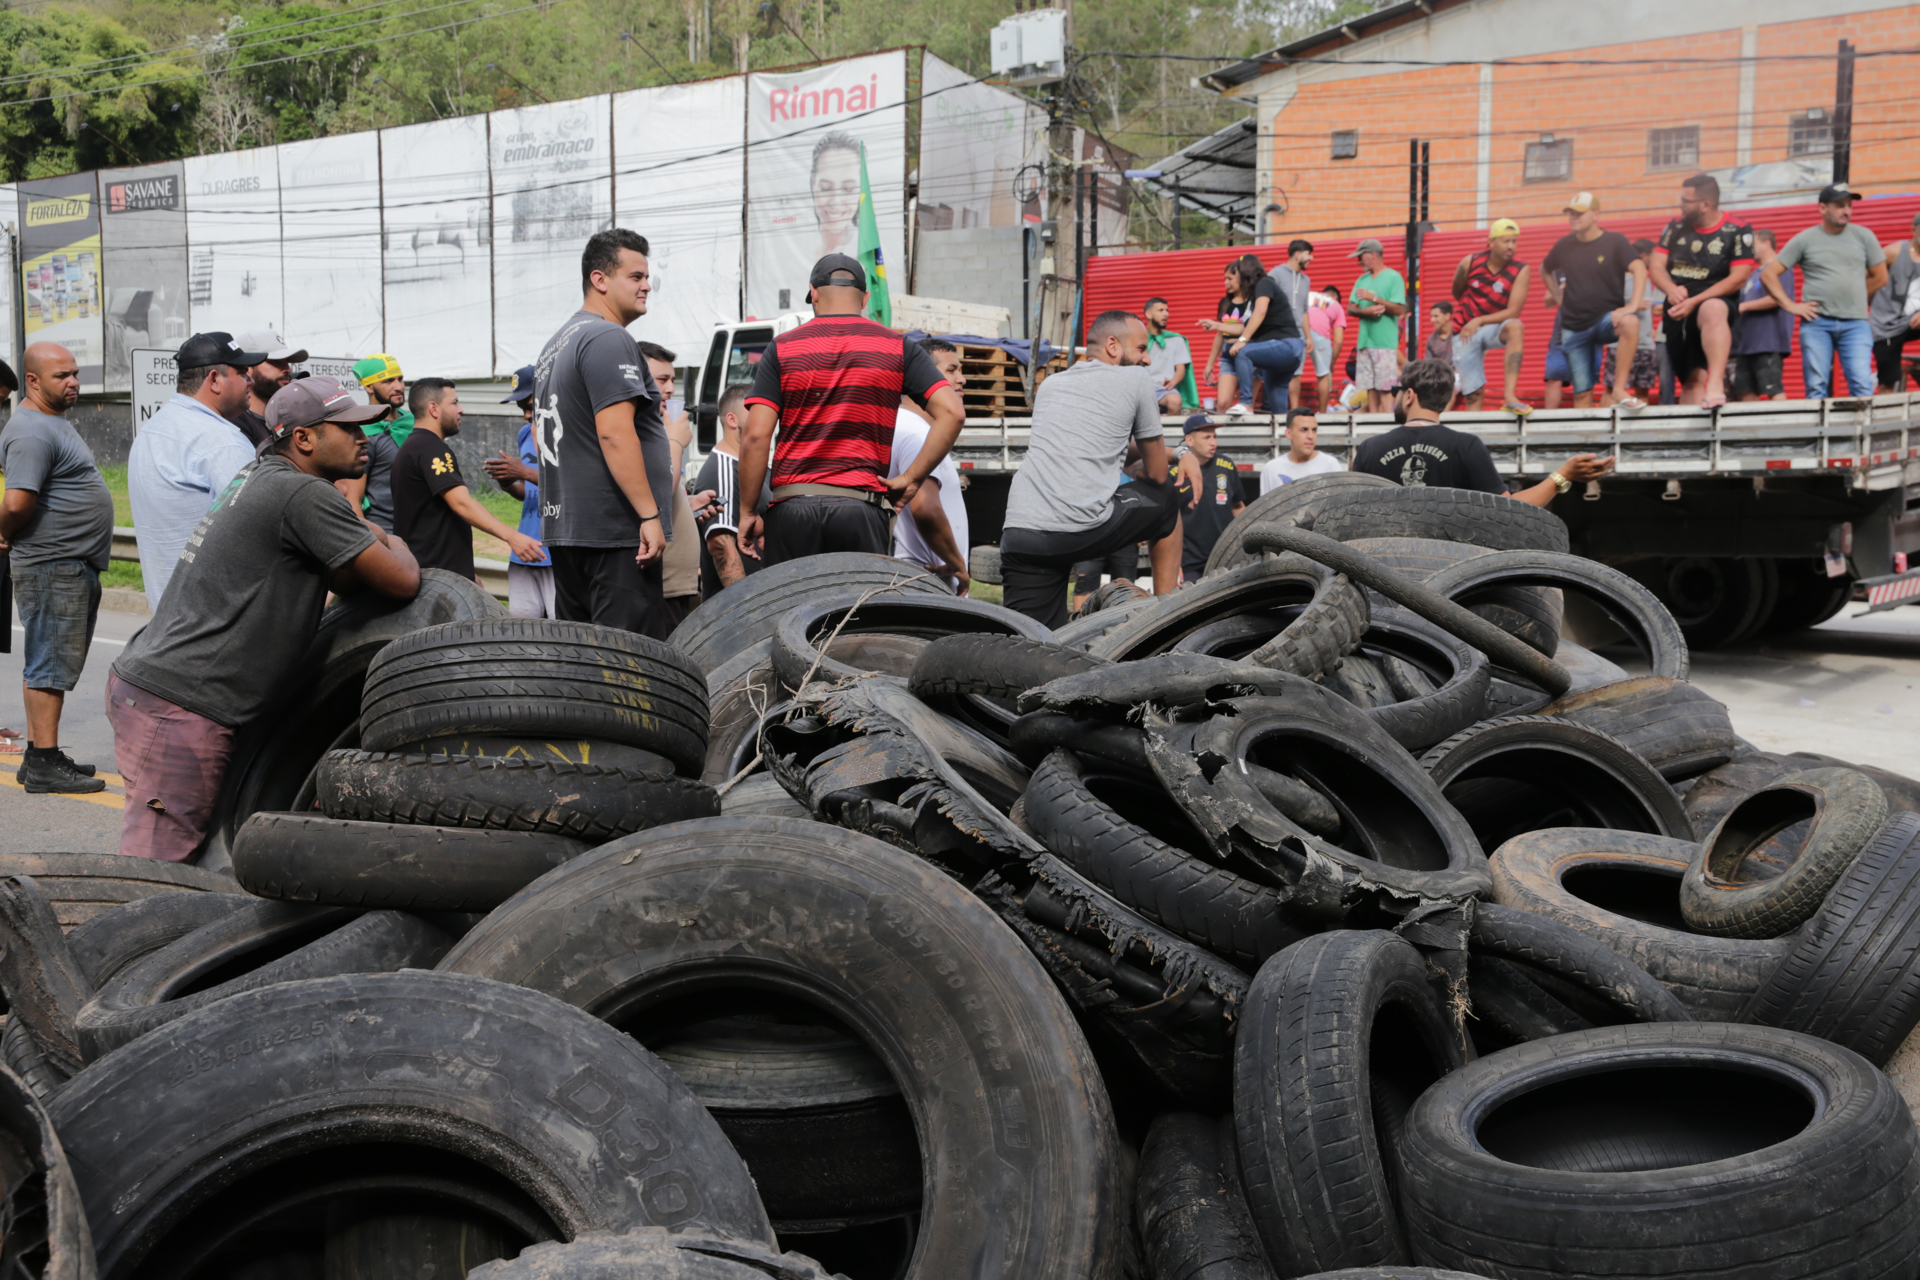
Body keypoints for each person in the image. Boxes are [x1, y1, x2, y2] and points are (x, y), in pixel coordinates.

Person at [108, 377, 419, 860]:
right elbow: (402, 581)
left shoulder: (262, 476)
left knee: (197, 855)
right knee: (157, 867)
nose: (364, 439)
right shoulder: (302, 494)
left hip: (164, 692)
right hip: (180, 706)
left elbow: (348, 579)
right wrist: (391, 539)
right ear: (304, 438)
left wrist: (362, 534)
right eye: (349, 429)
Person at [737, 254, 964, 564]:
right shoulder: (898, 346)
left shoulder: (782, 347)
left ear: (814, 294)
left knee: (794, 597)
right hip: (861, 510)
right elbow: (952, 413)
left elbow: (755, 435)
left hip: (792, 510)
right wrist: (912, 478)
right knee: (859, 597)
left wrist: (748, 511)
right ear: (865, 299)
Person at [998, 310, 1181, 629]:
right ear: (1113, 345)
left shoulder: (1051, 385)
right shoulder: (1135, 379)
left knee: (1033, 641)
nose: (1147, 359)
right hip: (1077, 528)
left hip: (1020, 533)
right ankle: (1168, 619)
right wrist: (1147, 465)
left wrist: (1176, 453)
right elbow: (1157, 474)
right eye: (1141, 348)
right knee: (1167, 498)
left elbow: (1096, 447)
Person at [533, 229, 676, 638]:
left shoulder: (555, 345)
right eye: (635, 276)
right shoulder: (607, 337)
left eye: (646, 277)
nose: (646, 286)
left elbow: (541, 432)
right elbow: (615, 433)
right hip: (614, 534)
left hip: (570, 530)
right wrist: (648, 515)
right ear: (600, 280)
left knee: (583, 657)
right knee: (627, 660)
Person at [0, 343, 113, 794]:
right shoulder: (31, 431)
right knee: (48, 665)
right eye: (61, 375)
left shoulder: (49, 422)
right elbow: (16, 501)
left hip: (66, 563)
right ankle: (45, 762)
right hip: (53, 565)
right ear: (32, 381)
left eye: (75, 373)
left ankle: (37, 757)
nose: (74, 382)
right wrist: (4, 529)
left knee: (49, 662)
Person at [1353, 359, 1614, 507]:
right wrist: (1562, 475)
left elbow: (1349, 512)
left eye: (1398, 392)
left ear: (1409, 395)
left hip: (1382, 570)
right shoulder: (1465, 446)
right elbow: (1511, 509)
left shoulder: (1369, 449)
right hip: (1448, 573)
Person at [127, 332, 265, 610]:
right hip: (218, 617)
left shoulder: (154, 428)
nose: (250, 380)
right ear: (214, 380)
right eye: (242, 373)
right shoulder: (220, 441)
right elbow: (259, 532)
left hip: (170, 614)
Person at [392, 377, 542, 581]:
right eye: (454, 403)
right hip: (437, 576)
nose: (461, 410)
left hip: (430, 570)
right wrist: (512, 536)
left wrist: (466, 571)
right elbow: (461, 503)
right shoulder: (431, 449)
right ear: (434, 409)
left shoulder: (412, 447)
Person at [1763, 182, 1888, 400]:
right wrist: (1791, 306)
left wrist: (1855, 295)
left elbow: (1881, 277)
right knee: (1816, 387)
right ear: (1822, 208)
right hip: (1817, 323)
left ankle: (1860, 425)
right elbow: (1768, 274)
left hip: (1856, 324)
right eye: (1839, 205)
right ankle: (1819, 425)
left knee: (1861, 384)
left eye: (1849, 205)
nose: (1846, 210)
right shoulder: (1805, 239)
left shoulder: (1864, 236)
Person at [1650, 173, 1756, 407]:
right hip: (1678, 306)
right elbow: (1656, 265)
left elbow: (1739, 278)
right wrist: (1670, 289)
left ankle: (1716, 385)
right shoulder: (1675, 226)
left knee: (1712, 308)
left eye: (1686, 201)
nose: (1681, 205)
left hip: (1715, 299)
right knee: (1691, 380)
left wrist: (1696, 301)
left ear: (1705, 205)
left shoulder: (1738, 229)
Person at [1545, 193, 1648, 409]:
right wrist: (1557, 295)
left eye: (1580, 213)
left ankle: (1618, 389)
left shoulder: (1615, 241)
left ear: (1596, 215)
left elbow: (1639, 267)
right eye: (1571, 213)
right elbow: (1544, 269)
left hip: (1604, 320)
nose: (1574, 217)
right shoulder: (1564, 245)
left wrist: (1631, 306)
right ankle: (1584, 432)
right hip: (1574, 326)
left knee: (1630, 322)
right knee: (1582, 394)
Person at [890, 337, 971, 593]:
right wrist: (957, 564)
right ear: (921, 373)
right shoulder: (917, 432)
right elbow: (925, 508)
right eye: (951, 370)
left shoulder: (904, 424)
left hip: (918, 580)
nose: (961, 379)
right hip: (926, 582)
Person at [639, 341, 705, 626]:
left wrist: (690, 504)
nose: (669, 389)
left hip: (677, 583)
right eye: (662, 379)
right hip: (661, 583)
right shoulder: (637, 430)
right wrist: (676, 442)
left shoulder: (656, 428)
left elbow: (664, 491)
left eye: (672, 380)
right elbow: (658, 489)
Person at [483, 365, 557, 618]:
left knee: (562, 629)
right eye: (521, 408)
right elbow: (529, 493)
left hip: (557, 551)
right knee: (522, 629)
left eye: (530, 406)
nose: (526, 415)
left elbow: (573, 485)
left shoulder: (567, 432)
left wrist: (523, 471)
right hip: (525, 549)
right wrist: (507, 482)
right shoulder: (525, 433)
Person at [1450, 218, 1533, 414]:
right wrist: (1472, 316)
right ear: (1491, 242)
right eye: (1506, 241)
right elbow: (1456, 291)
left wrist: (1479, 320)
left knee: (1515, 326)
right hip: (1465, 329)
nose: (1511, 246)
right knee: (1474, 394)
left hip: (1492, 326)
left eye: (1514, 241)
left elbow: (1514, 311)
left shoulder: (1521, 269)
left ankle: (1509, 396)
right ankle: (1473, 431)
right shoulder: (1470, 262)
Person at [692, 386, 762, 597]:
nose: (764, 420)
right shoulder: (723, 470)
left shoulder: (750, 465)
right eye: (755, 413)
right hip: (743, 608)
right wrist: (747, 608)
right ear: (732, 420)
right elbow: (721, 546)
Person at [337, 353, 412, 531]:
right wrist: (372, 541)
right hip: (386, 532)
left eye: (400, 379)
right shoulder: (363, 433)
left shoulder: (412, 422)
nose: (398, 387)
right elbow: (353, 501)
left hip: (420, 530)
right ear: (369, 387)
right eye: (388, 381)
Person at [1223, 253, 1304, 416]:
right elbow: (1246, 327)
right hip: (1283, 351)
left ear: (1245, 271)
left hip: (1286, 345)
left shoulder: (1264, 283)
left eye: (1235, 274)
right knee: (1277, 403)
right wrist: (1217, 326)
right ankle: (1283, 427)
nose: (1232, 280)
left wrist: (1242, 341)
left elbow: (1260, 312)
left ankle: (1246, 403)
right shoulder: (1253, 296)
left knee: (1243, 352)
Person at [1172, 414, 1243, 580]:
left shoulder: (1227, 465)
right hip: (1189, 562)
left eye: (1214, 436)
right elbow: (1168, 522)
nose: (1213, 442)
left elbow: (1238, 507)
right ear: (1189, 440)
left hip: (1225, 558)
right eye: (1207, 437)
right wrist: (1173, 563)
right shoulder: (1174, 472)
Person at [1732, 230, 1794, 402]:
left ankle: (1783, 419)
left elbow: (1778, 298)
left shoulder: (1779, 268)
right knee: (1746, 391)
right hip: (1747, 344)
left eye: (1753, 244)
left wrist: (1743, 306)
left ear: (1766, 243)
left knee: (1772, 388)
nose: (1749, 249)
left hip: (1767, 342)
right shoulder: (1753, 274)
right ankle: (1753, 421)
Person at [1349, 239, 1407, 412]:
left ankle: (1387, 421)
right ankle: (1373, 422)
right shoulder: (1362, 280)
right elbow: (1351, 308)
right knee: (1370, 387)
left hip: (1384, 344)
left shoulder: (1394, 277)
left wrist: (1373, 298)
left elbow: (1399, 309)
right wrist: (1365, 312)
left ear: (1372, 255)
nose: (1358, 261)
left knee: (1385, 388)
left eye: (1360, 257)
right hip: (1365, 342)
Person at [232, 328, 309, 447]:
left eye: (287, 361)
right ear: (247, 369)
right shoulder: (235, 426)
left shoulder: (288, 421)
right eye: (276, 362)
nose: (288, 369)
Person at [1197, 260, 1256, 411]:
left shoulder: (1253, 301)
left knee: (1247, 405)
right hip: (1228, 355)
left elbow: (1249, 328)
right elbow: (1220, 334)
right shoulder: (1225, 302)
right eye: (1225, 278)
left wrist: (1218, 325)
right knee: (1222, 404)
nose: (1226, 283)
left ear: (1241, 277)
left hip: (1248, 354)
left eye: (1230, 278)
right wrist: (1209, 364)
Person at [1872, 211, 1920, 392]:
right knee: (1888, 382)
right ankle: (1884, 406)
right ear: (1913, 230)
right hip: (1887, 325)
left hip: (1914, 321)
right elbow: (1864, 278)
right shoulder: (1894, 252)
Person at [1260, 408, 1344, 492]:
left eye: (1314, 430)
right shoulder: (1271, 469)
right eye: (1304, 430)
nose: (1310, 436)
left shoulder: (1330, 465)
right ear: (1289, 433)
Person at [1273, 240, 1314, 407]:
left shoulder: (1306, 280)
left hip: (1298, 334)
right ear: (1298, 254)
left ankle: (1294, 411)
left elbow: (1304, 310)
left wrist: (1308, 337)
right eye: (1308, 254)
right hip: (1279, 331)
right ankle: (1278, 410)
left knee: (1297, 373)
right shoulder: (1276, 273)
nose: (1311, 258)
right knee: (1276, 371)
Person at [1143, 297, 1196, 414]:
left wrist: (1172, 382)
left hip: (1163, 389)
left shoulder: (1176, 339)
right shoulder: (1138, 338)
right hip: (1141, 388)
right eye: (1161, 310)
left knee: (1175, 401)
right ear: (1148, 314)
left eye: (1167, 310)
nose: (1166, 314)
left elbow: (1181, 370)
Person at [1305, 285, 1348, 410]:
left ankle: (1293, 412)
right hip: (1319, 333)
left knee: (1295, 373)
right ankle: (1323, 414)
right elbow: (1338, 341)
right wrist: (1331, 363)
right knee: (1323, 375)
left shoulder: (1309, 294)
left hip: (1298, 328)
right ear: (1335, 297)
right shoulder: (1335, 304)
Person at [1425, 302, 1456, 367]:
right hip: (1443, 372)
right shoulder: (1431, 340)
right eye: (1431, 316)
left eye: (1436, 316)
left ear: (1447, 316)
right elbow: (1428, 365)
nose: (1432, 320)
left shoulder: (1460, 333)